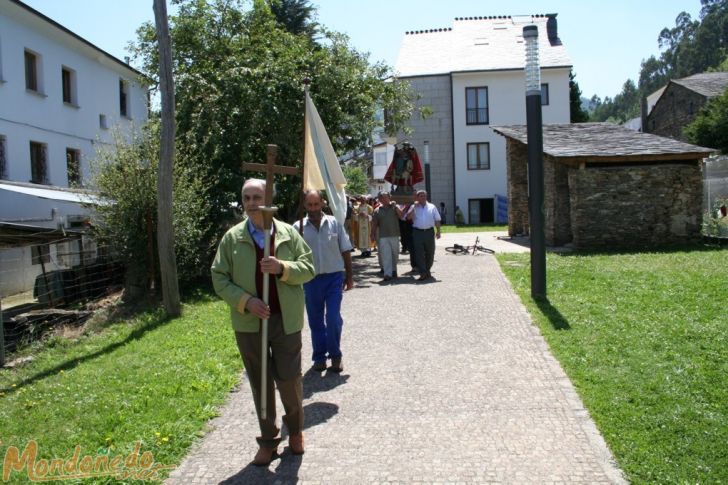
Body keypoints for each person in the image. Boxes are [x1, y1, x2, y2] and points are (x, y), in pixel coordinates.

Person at [211, 179, 315, 466]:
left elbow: (308, 268)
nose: (252, 202)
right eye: (247, 197)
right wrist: (246, 301)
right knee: (260, 383)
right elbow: (219, 277)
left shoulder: (288, 234)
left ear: (269, 198)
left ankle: (295, 431)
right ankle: (268, 439)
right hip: (249, 323)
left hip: (285, 320)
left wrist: (283, 268)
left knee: (289, 379)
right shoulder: (232, 238)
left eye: (257, 196)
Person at [294, 190, 354, 373]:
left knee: (333, 318)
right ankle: (319, 357)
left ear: (323, 203)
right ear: (304, 205)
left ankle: (335, 356)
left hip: (333, 277)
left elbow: (345, 250)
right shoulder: (298, 228)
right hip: (310, 280)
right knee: (315, 320)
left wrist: (349, 276)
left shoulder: (334, 223)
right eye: (309, 205)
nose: (313, 209)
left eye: (316, 204)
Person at [406, 190, 441, 281]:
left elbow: (437, 219)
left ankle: (427, 269)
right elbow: (408, 217)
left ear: (426, 197)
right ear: (417, 198)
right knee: (419, 253)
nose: (423, 197)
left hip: (429, 232)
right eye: (420, 196)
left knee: (430, 252)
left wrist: (438, 231)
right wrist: (413, 208)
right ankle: (423, 272)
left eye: (424, 196)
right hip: (417, 232)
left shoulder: (432, 207)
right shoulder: (414, 207)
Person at [371, 191, 402, 281]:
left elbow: (401, 216)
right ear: (379, 199)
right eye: (382, 198)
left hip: (394, 234)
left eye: (386, 197)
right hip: (383, 236)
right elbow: (374, 224)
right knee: (386, 255)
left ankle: (394, 270)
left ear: (389, 198)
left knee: (395, 254)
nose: (384, 199)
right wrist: (372, 234)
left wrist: (396, 207)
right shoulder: (377, 210)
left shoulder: (395, 207)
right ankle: (387, 273)